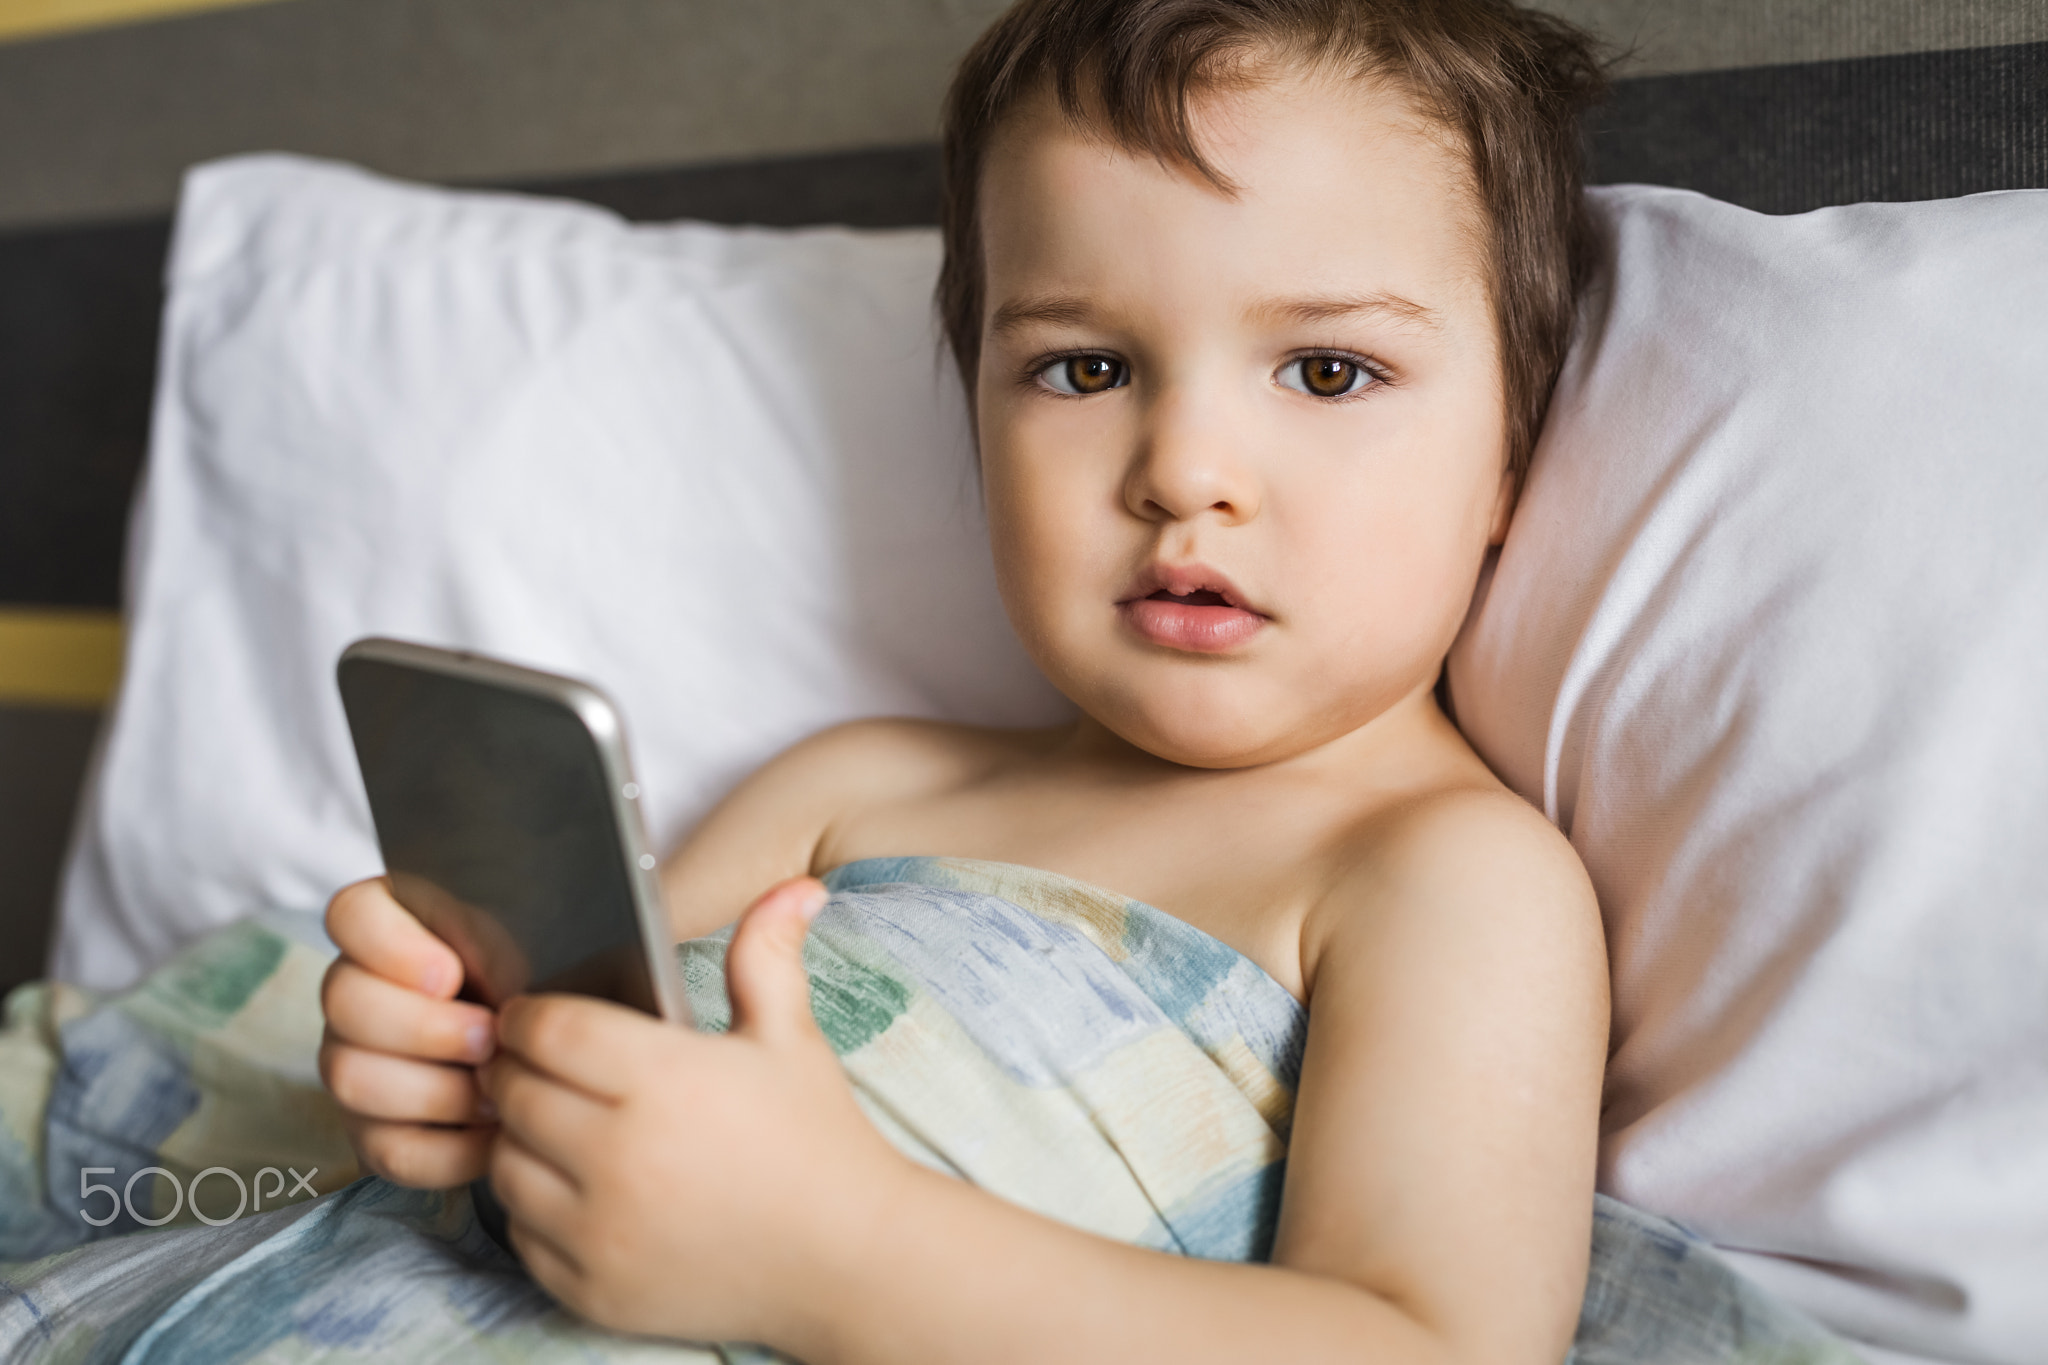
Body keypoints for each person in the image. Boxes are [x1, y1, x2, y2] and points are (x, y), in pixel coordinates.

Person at [319, 2, 1614, 1360]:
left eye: (1328, 369)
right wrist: (455, 1076)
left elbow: (1427, 1345)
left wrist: (837, 1252)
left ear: (1510, 463)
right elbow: (595, 1091)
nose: (1184, 468)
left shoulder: (1444, 877)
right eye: (1086, 367)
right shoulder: (848, 791)